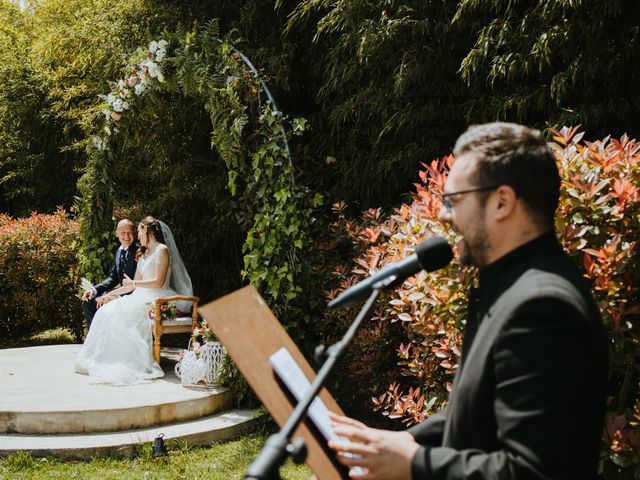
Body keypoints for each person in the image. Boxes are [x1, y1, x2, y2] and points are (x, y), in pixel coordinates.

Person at [327, 123, 607, 479]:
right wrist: (387, 447)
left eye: (453, 201)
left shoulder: (541, 306)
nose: (444, 215)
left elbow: (538, 471)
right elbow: (475, 411)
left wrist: (415, 463)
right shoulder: (509, 288)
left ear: (502, 202)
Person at [75, 216, 193, 385]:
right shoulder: (143, 252)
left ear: (147, 230)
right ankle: (109, 359)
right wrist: (112, 294)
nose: (137, 235)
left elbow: (158, 281)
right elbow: (131, 285)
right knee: (105, 311)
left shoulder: (162, 250)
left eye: (138, 230)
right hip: (140, 294)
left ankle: (130, 362)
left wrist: (134, 284)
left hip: (158, 296)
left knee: (121, 315)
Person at [81, 219, 138, 329]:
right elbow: (113, 279)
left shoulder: (139, 251)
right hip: (120, 293)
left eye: (129, 232)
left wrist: (114, 296)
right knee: (88, 303)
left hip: (132, 295)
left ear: (134, 233)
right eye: (123, 233)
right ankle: (96, 338)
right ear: (117, 233)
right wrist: (93, 290)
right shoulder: (119, 251)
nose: (126, 236)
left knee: (105, 303)